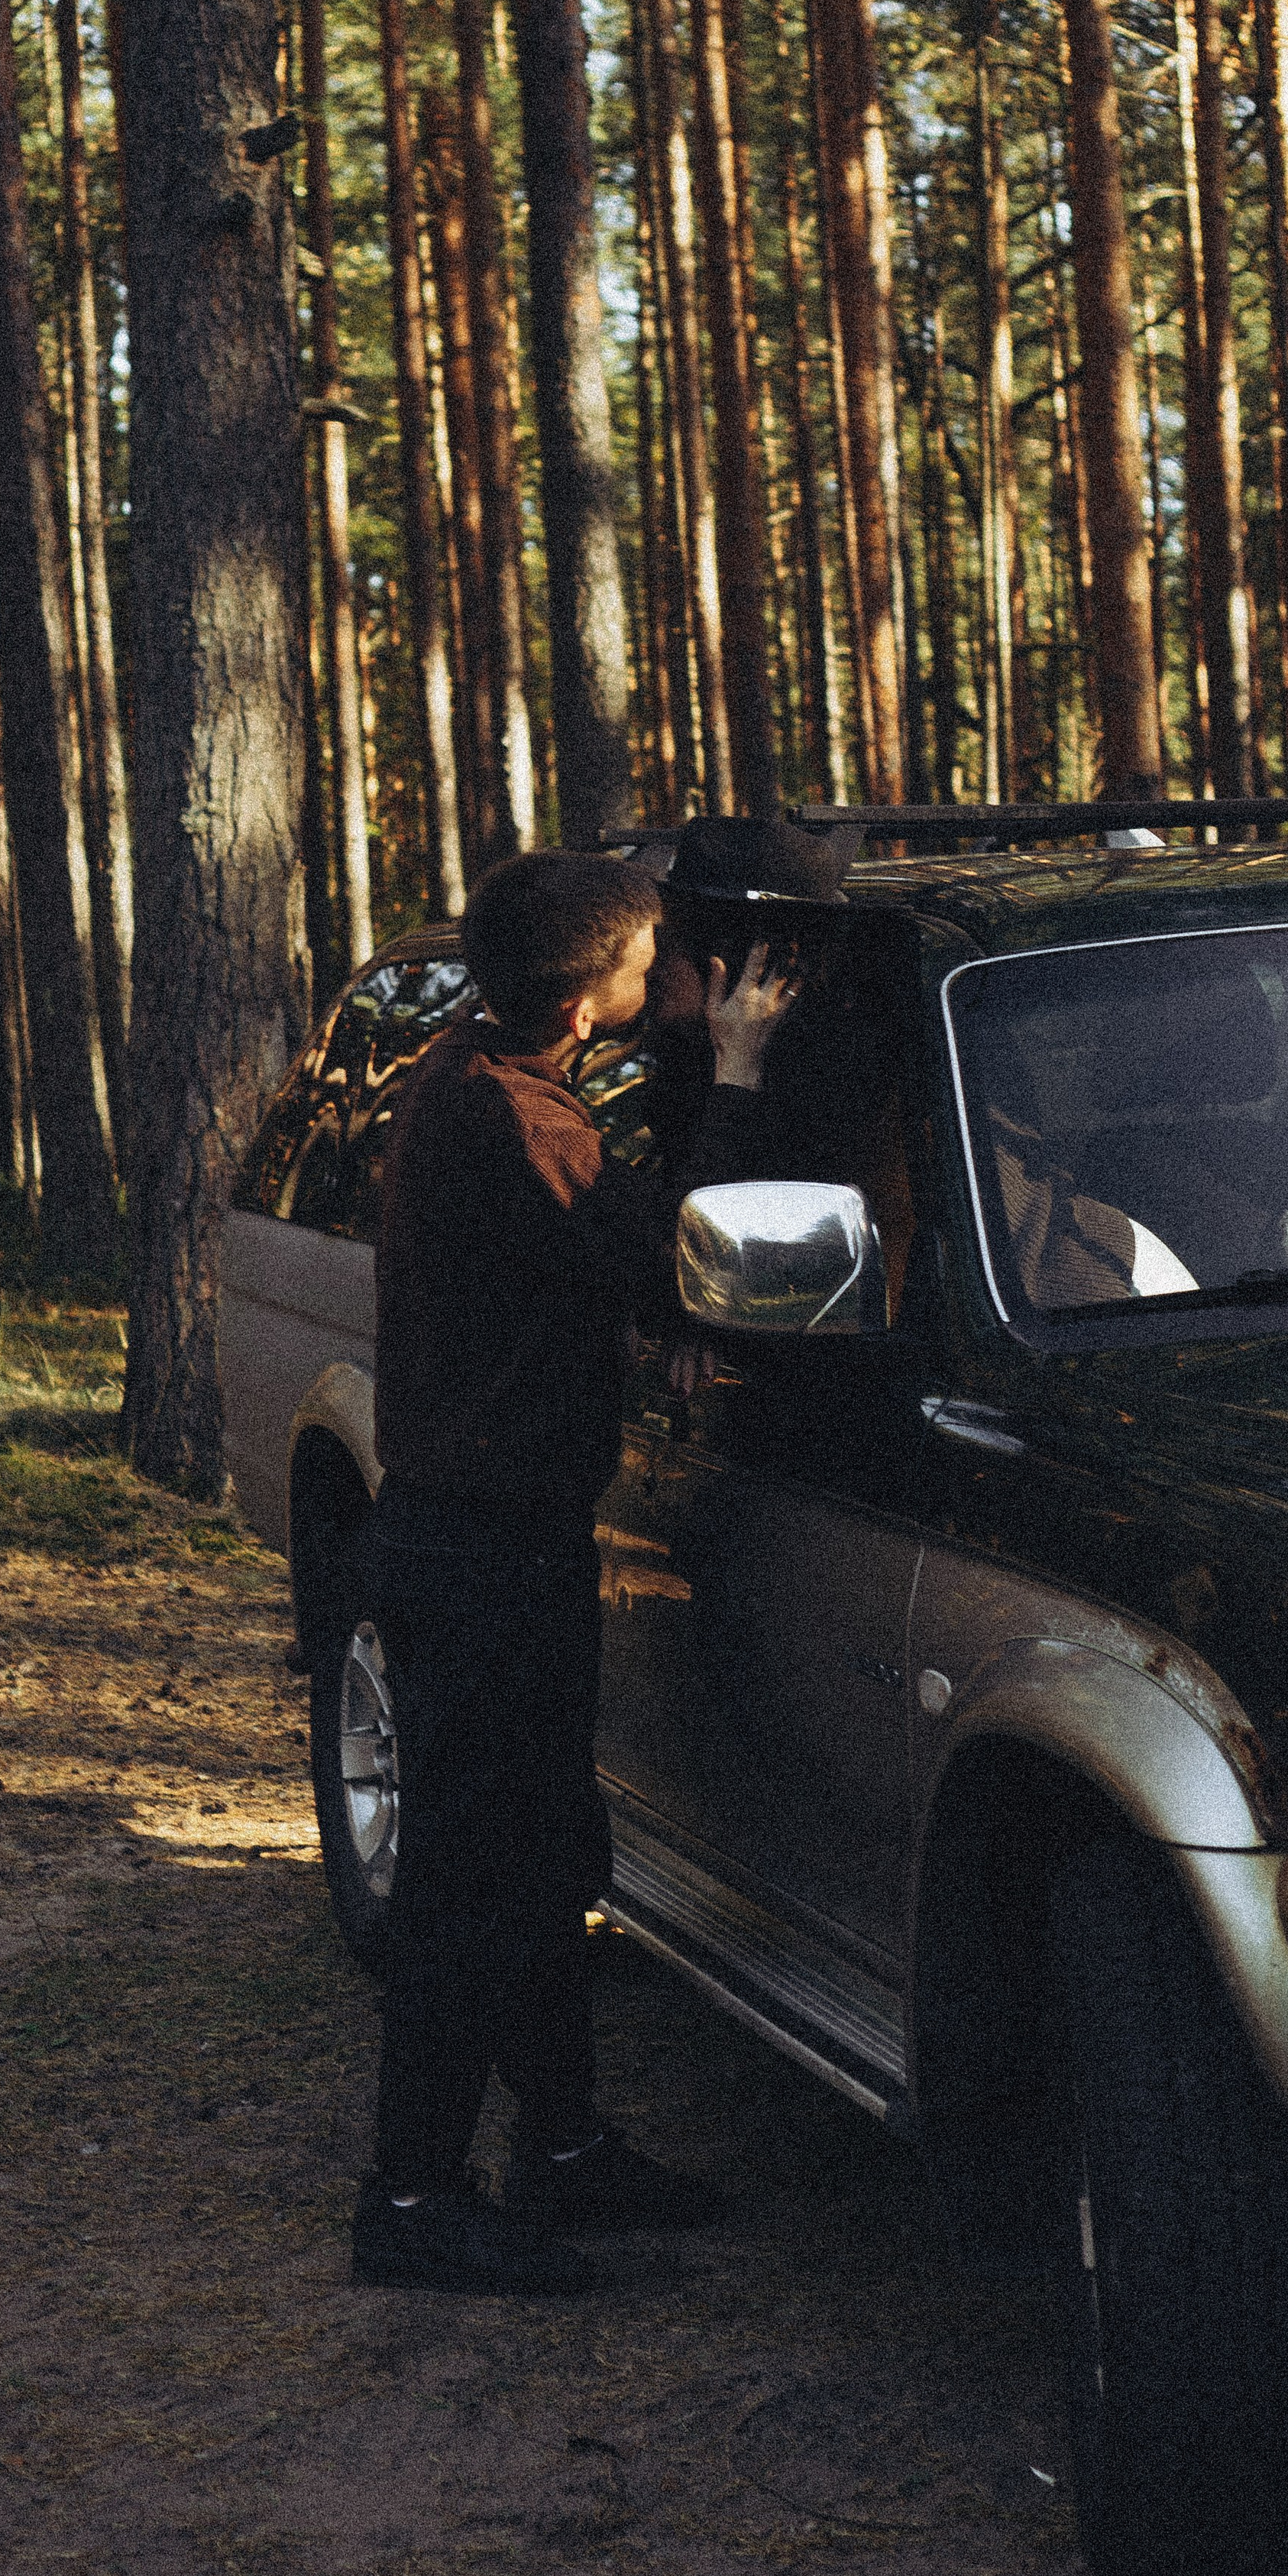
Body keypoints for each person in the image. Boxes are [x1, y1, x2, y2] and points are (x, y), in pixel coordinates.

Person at [352, 848, 796, 2297]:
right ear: (587, 986)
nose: (666, 966)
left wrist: (669, 1032)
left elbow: (561, 1252)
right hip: (477, 1553)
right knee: (475, 1882)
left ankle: (557, 2148)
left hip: (488, 1542)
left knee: (544, 1858)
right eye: (649, 952)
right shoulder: (515, 1123)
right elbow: (678, 1255)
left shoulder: (482, 1073)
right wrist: (732, 1072)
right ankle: (411, 2202)